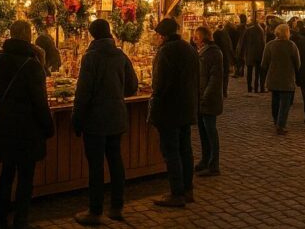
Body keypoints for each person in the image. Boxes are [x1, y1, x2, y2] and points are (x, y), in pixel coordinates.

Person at [0, 20, 54, 229]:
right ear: (27, 36)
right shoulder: (33, 64)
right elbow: (40, 101)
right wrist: (49, 127)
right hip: (28, 128)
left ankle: (1, 219)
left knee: (6, 173)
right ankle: (21, 220)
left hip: (5, 123)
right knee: (26, 176)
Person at [72, 19, 139, 226]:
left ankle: (95, 210)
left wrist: (77, 118)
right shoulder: (120, 55)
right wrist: (116, 95)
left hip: (96, 119)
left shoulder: (91, 58)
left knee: (96, 166)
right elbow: (132, 86)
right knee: (116, 161)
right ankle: (117, 207)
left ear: (92, 35)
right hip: (117, 117)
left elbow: (83, 92)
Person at [147, 18, 199, 207]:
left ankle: (176, 193)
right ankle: (188, 189)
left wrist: (155, 102)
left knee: (171, 152)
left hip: (169, 109)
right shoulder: (189, 48)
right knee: (185, 149)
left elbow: (160, 83)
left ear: (162, 35)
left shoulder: (165, 52)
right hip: (186, 107)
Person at [193, 25, 224, 176]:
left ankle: (214, 164)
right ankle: (205, 159)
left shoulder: (213, 53)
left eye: (196, 37)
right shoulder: (202, 52)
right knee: (203, 131)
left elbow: (214, 78)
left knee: (210, 130)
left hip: (209, 98)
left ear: (203, 38)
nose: (194, 40)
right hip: (201, 97)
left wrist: (206, 95)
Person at [262, 23, 301, 135]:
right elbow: (298, 63)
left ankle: (276, 121)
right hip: (287, 78)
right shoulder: (291, 45)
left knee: (275, 101)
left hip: (273, 78)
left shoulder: (270, 45)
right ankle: (281, 124)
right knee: (285, 103)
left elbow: (264, 63)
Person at [238, 19, 267, 94]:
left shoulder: (248, 31)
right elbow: (263, 43)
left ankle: (249, 88)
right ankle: (257, 87)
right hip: (259, 54)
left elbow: (243, 43)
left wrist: (241, 54)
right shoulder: (261, 30)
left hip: (250, 54)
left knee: (249, 72)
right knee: (258, 72)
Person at [212, 22, 234, 98]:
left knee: (222, 76)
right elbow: (229, 47)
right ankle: (224, 92)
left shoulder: (219, 34)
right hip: (225, 57)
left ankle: (222, 92)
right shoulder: (224, 34)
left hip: (221, 57)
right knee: (224, 76)